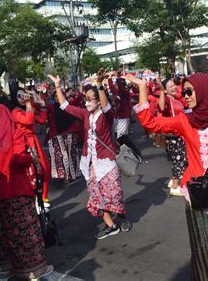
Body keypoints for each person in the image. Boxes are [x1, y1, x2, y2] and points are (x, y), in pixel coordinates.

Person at [128, 54, 208, 281]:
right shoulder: (183, 120)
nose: (184, 95)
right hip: (196, 193)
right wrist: (142, 87)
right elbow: (150, 123)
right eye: (183, 92)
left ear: (206, 91)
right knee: (202, 246)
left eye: (189, 91)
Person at [48, 71, 131, 239]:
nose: (86, 102)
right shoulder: (85, 114)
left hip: (108, 163)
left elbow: (106, 105)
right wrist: (57, 86)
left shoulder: (106, 115)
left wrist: (100, 85)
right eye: (85, 99)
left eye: (89, 99)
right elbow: (64, 105)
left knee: (114, 194)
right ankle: (111, 225)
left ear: (98, 101)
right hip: (91, 163)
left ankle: (121, 216)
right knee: (96, 196)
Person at [0, 104, 53, 280]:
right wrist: (32, 158)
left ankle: (7, 267)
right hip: (18, 188)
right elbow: (18, 160)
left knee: (8, 230)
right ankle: (34, 269)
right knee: (27, 230)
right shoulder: (15, 134)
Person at [11, 88, 51, 206]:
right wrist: (29, 104)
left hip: (34, 142)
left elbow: (42, 120)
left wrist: (42, 105)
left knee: (44, 169)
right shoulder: (15, 112)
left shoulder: (28, 109)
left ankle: (43, 198)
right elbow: (28, 121)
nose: (23, 98)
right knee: (31, 172)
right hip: (24, 143)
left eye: (25, 95)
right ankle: (32, 200)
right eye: (20, 96)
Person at [158, 78, 188, 196]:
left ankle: (175, 182)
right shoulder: (166, 100)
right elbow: (160, 107)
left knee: (183, 159)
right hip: (173, 136)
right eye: (170, 86)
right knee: (178, 160)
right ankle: (175, 186)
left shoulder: (177, 100)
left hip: (181, 134)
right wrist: (161, 92)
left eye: (174, 85)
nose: (174, 87)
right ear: (165, 90)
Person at [45, 91, 81, 184]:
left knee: (71, 154)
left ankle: (73, 175)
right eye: (55, 96)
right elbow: (41, 106)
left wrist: (77, 91)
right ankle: (64, 175)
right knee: (62, 155)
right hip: (58, 135)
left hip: (70, 133)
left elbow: (79, 98)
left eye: (59, 95)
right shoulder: (52, 107)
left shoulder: (68, 104)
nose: (58, 98)